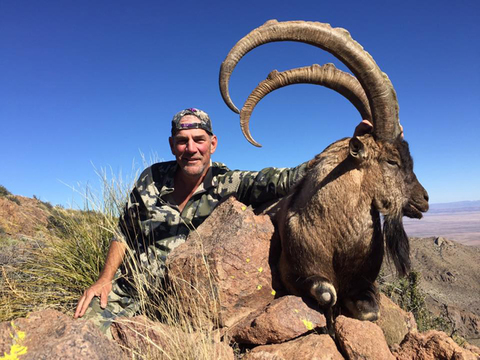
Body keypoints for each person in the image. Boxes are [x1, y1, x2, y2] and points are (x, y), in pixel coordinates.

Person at [74, 107, 374, 335]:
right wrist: (104, 280)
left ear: (213, 143)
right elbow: (124, 233)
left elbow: (286, 179)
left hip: (178, 305)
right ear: (171, 145)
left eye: (198, 140)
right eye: (182, 141)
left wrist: (350, 144)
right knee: (83, 335)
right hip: (127, 291)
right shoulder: (151, 179)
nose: (190, 148)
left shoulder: (229, 183)